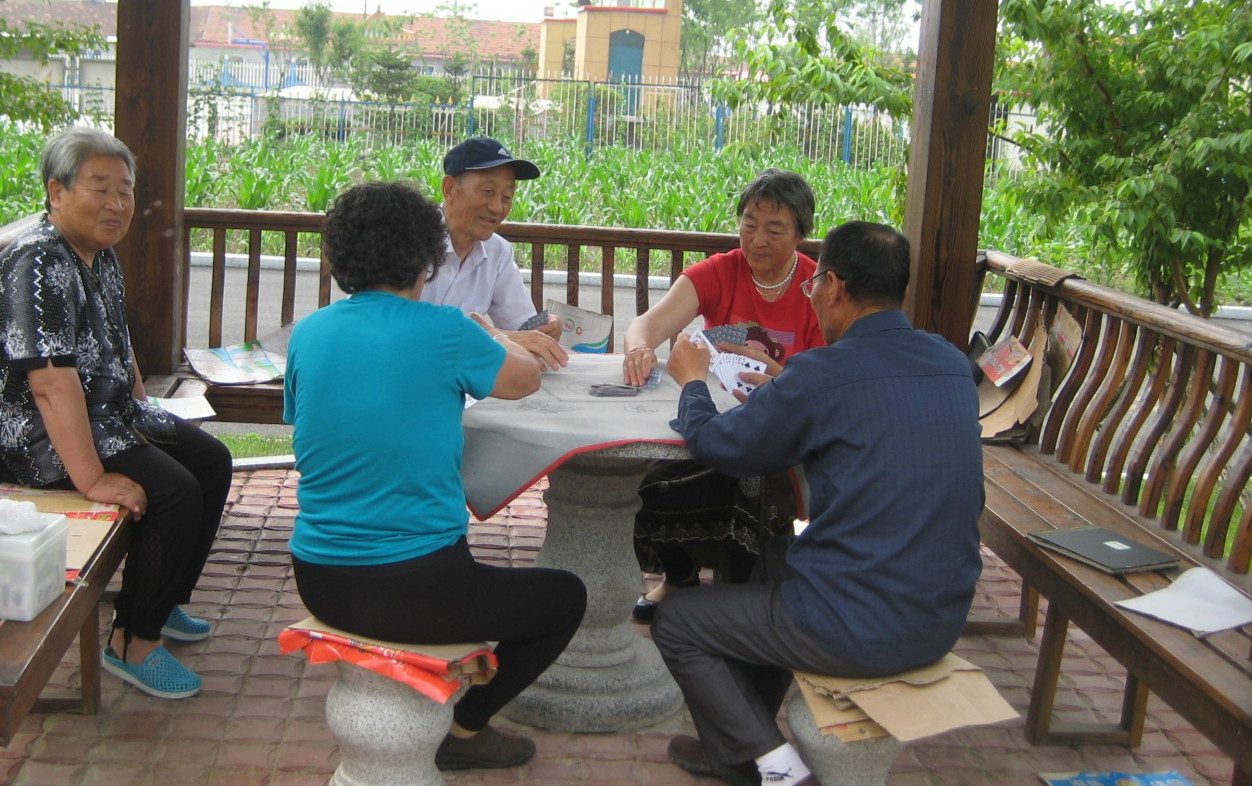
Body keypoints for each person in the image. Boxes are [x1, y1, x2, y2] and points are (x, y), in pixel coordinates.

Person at [650, 221, 984, 786]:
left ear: (833, 286)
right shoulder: (951, 364)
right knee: (773, 557)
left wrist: (693, 381)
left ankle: (778, 768)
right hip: (941, 613)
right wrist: (790, 388)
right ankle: (737, 745)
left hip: (854, 624)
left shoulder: (824, 374)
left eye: (815, 285)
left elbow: (722, 447)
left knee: (677, 621)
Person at [283, 180, 587, 771]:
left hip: (317, 573)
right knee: (564, 598)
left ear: (338, 258)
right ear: (426, 258)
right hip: (413, 586)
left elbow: (312, 421)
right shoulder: (446, 330)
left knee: (464, 570)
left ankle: (457, 714)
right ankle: (467, 729)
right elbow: (524, 378)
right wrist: (492, 333)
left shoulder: (310, 332)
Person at [0, 127, 233, 699]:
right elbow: (51, 383)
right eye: (99, 187)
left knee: (210, 458)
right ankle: (132, 643)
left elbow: (115, 333)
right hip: (37, 434)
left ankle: (162, 598)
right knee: (174, 493)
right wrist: (94, 478)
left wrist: (143, 402)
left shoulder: (96, 252)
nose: (116, 203)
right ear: (56, 192)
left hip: (109, 415)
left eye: (125, 189)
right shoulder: (38, 260)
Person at [621, 168, 825, 622]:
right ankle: (680, 578)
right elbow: (649, 323)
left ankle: (741, 601)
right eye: (749, 224)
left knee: (749, 487)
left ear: (801, 235)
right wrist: (639, 346)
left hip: (779, 439)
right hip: (709, 422)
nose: (757, 240)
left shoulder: (817, 289)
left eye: (775, 229)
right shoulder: (721, 271)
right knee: (644, 485)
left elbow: (825, 386)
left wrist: (780, 379)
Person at [424, 135, 568, 371]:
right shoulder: (410, 239)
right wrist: (496, 337)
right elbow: (395, 326)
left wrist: (542, 329)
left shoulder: (497, 251)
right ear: (449, 188)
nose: (497, 208)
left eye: (507, 197)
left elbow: (520, 327)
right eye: (488, 191)